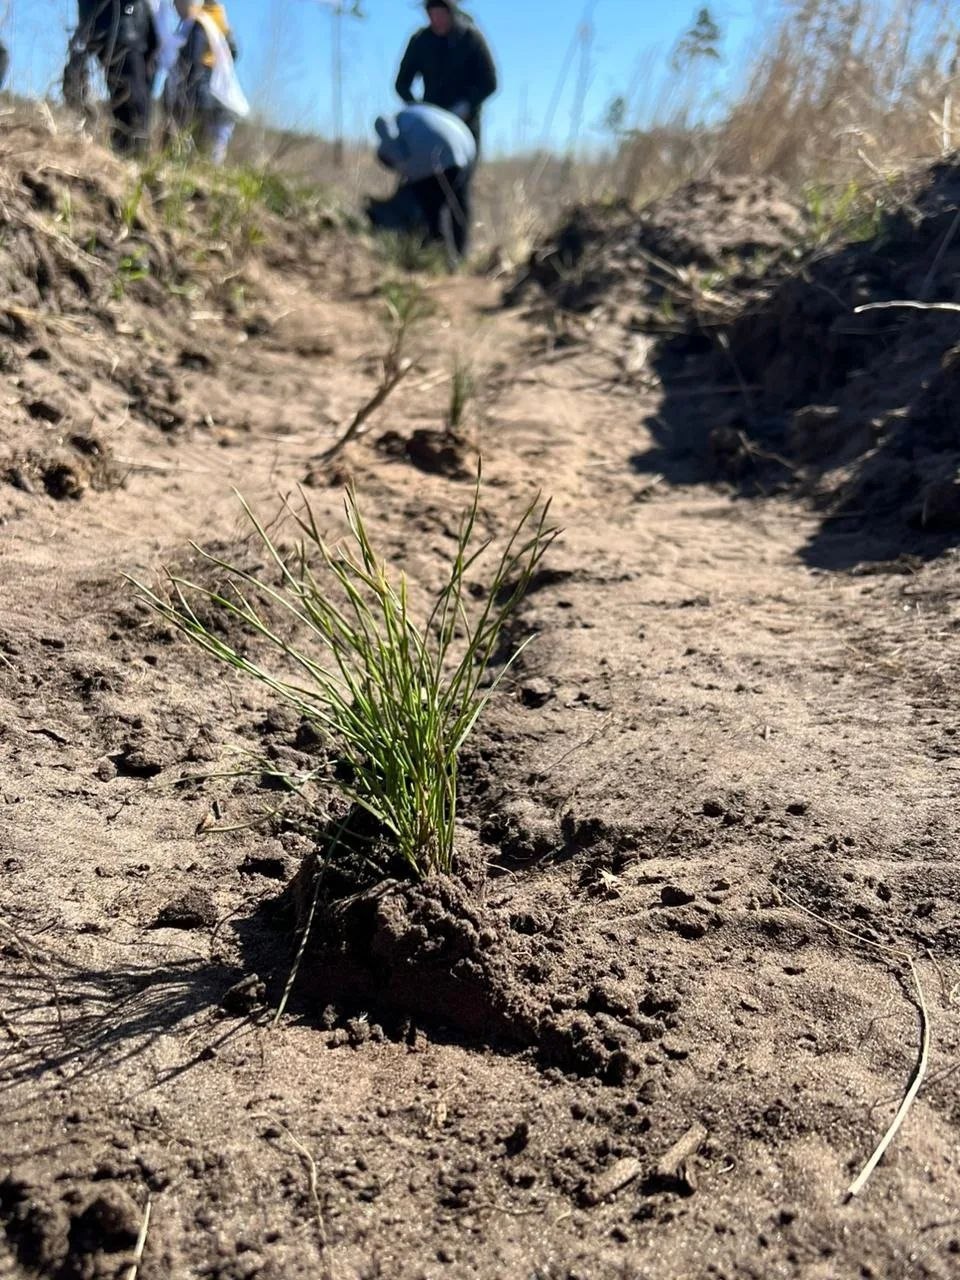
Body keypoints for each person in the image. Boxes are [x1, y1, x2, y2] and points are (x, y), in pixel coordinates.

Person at [394, 0, 496, 256]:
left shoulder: (470, 38)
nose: (436, 20)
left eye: (441, 14)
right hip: (430, 131)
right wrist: (417, 110)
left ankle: (459, 256)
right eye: (432, 14)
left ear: (451, 12)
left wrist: (467, 104)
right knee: (424, 187)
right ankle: (430, 251)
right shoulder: (421, 41)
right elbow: (402, 83)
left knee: (457, 189)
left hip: (465, 129)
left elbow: (490, 82)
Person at [372, 103, 477, 262]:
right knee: (458, 205)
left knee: (433, 210)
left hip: (434, 157)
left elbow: (395, 145)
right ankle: (460, 257)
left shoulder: (390, 129)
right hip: (465, 147)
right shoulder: (415, 114)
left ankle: (440, 259)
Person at [66, 1, 159, 155]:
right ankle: (131, 155)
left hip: (131, 30)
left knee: (132, 102)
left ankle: (128, 154)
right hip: (120, 28)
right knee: (132, 103)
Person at [165, 0, 244, 165]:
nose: (176, 9)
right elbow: (234, 52)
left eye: (177, 4)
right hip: (216, 94)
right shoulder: (218, 23)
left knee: (192, 140)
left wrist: (183, 91)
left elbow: (192, 61)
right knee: (210, 147)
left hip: (199, 91)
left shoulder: (199, 24)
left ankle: (189, 168)